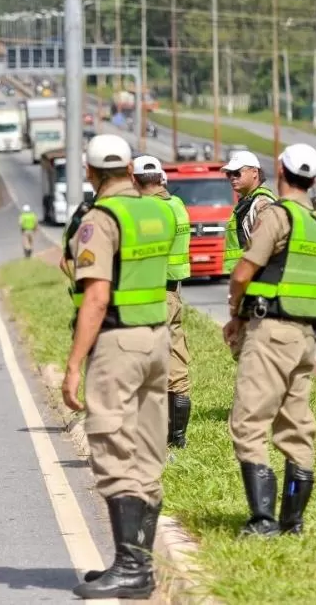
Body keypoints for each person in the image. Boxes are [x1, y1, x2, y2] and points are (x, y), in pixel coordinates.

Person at [59, 134, 176, 600]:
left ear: (90, 173)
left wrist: (73, 365)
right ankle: (140, 566)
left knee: (111, 447)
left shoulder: (100, 220)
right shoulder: (159, 212)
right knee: (148, 451)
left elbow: (96, 295)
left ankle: (130, 568)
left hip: (118, 342)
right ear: (130, 168)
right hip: (157, 340)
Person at [221, 143, 316, 538]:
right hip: (305, 337)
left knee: (248, 422)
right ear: (315, 180)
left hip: (270, 330)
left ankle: (263, 519)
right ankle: (293, 521)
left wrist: (236, 316)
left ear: (281, 173)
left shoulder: (277, 216)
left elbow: (243, 273)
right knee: (296, 426)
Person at [131, 155, 194, 449]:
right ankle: (177, 440)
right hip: (173, 295)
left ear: (134, 179)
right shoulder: (177, 206)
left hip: (150, 295)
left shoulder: (146, 212)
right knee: (177, 368)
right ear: (161, 178)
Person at [223, 150, 277, 276]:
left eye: (237, 173)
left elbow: (268, 248)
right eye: (229, 174)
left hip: (254, 279)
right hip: (241, 278)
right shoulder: (247, 202)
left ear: (254, 172)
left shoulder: (261, 203)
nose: (232, 177)